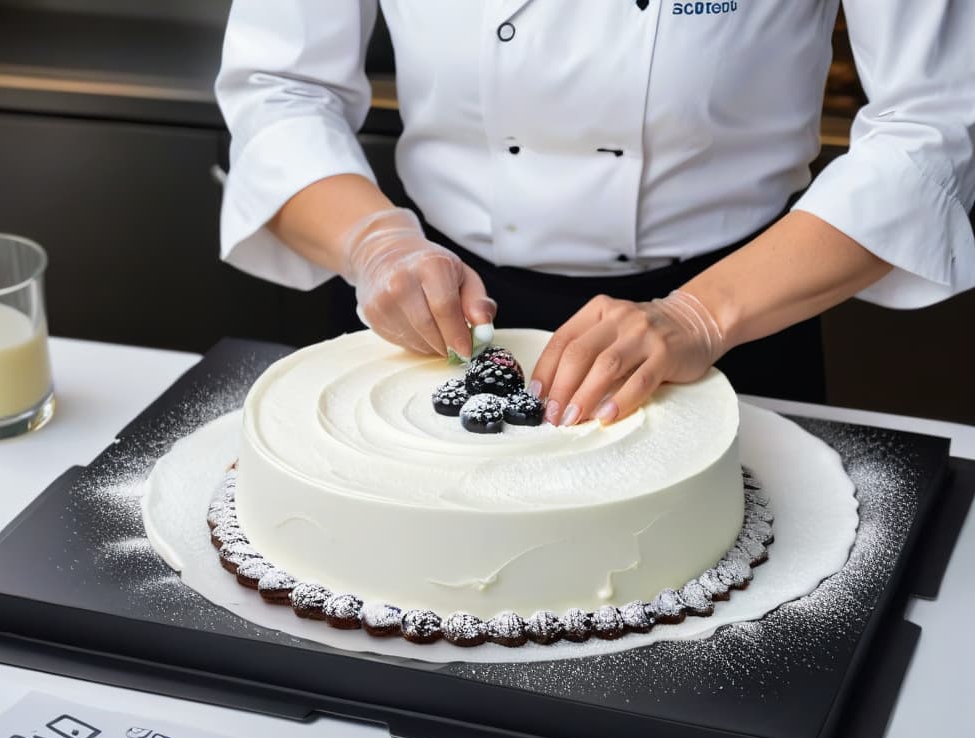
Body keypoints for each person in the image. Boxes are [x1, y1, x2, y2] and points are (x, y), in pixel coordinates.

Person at [215, 1, 974, 427]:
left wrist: (702, 317)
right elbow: (280, 87)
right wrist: (374, 244)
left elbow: (936, 123)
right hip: (431, 310)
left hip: (739, 318)